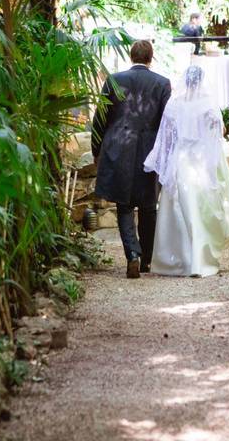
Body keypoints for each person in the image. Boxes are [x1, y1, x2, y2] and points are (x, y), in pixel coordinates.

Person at [144, 65, 229, 277]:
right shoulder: (207, 103)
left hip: (181, 159)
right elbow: (219, 131)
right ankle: (199, 260)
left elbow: (167, 136)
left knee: (179, 205)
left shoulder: (175, 103)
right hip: (200, 160)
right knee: (198, 207)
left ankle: (177, 260)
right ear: (200, 81)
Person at [92, 40, 172, 279]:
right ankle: (147, 259)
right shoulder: (162, 83)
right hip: (150, 151)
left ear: (131, 56)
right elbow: (167, 123)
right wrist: (168, 154)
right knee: (149, 206)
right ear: (151, 58)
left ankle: (133, 256)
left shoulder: (114, 80)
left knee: (124, 206)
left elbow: (100, 118)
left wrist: (96, 150)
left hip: (119, 148)